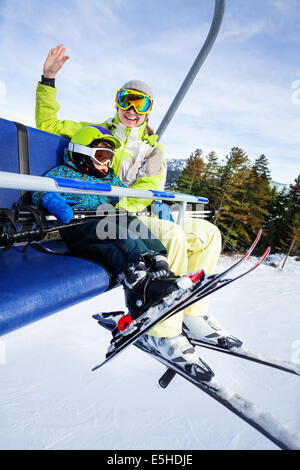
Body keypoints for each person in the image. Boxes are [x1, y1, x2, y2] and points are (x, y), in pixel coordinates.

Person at [35, 44, 242, 353]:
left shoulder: (153, 150)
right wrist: (48, 79)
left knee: (208, 233)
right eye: (125, 100)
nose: (131, 110)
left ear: (148, 109)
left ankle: (192, 313)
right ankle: (162, 328)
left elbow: (147, 186)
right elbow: (49, 125)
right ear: (117, 103)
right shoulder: (93, 133)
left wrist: (120, 208)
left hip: (124, 212)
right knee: (171, 235)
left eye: (139, 103)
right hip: (103, 218)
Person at [32, 124, 214, 379]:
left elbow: (125, 196)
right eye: (101, 157)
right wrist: (50, 199)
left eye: (110, 158)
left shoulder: (109, 178)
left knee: (131, 224)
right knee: (119, 236)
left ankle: (160, 266)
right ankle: (137, 276)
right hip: (80, 225)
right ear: (82, 155)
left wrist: (153, 202)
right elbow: (39, 188)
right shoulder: (64, 172)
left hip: (108, 218)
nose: (107, 164)